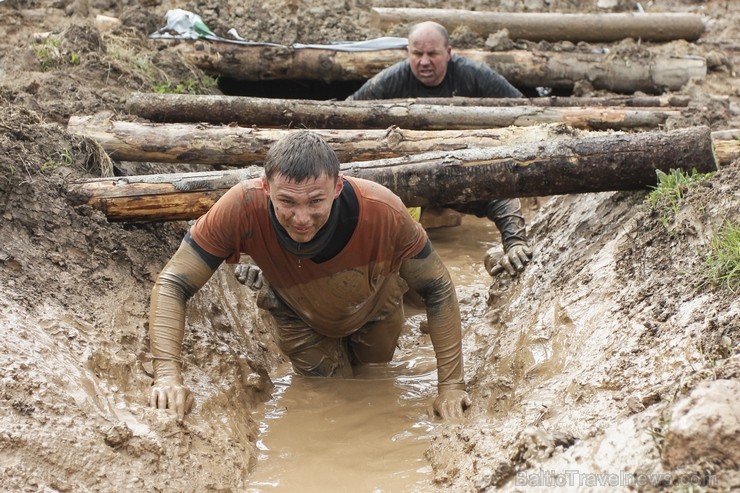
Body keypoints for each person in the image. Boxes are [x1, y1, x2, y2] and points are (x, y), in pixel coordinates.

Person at [148, 131, 470, 421]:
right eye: (286, 201)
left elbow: (437, 287)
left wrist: (451, 386)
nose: (302, 218)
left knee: (375, 379)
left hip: (375, 305)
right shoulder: (241, 207)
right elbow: (174, 281)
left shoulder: (382, 211)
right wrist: (167, 375)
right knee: (331, 396)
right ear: (265, 188)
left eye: (316, 201)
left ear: (337, 187)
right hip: (298, 314)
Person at [348, 20, 533, 278]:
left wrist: (515, 243)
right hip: (407, 174)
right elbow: (346, 115)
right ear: (408, 53)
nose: (424, 61)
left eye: (432, 54)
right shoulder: (389, 81)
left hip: (457, 169)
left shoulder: (475, 76)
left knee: (496, 195)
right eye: (417, 54)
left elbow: (526, 114)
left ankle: (514, 243)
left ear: (448, 53)